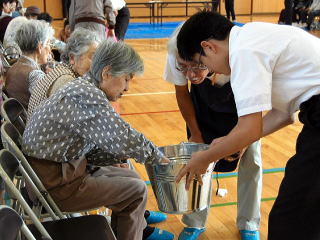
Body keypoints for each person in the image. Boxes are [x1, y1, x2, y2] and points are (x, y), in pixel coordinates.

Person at [175, 10, 320, 240]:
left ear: (209, 46)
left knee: (291, 217)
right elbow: (283, 115)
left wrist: (205, 157)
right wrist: (237, 143)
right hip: (313, 115)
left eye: (203, 62)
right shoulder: (251, 36)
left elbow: (250, 128)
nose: (211, 71)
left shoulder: (243, 51)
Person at [22, 39, 175, 240]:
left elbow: (95, 144)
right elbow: (124, 136)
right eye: (126, 79)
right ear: (106, 73)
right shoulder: (87, 94)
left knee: (132, 177)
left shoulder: (82, 86)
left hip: (58, 171)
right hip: (56, 185)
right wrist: (161, 159)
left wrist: (116, 158)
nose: (127, 88)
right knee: (136, 191)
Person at [164, 25, 262, 240]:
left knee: (252, 160)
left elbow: (257, 104)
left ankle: (249, 222)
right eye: (184, 67)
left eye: (197, 67)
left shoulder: (239, 56)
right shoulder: (176, 52)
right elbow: (182, 93)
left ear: (209, 52)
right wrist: (195, 133)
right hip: (203, 109)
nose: (190, 74)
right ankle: (194, 221)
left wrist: (242, 141)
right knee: (197, 159)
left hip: (243, 109)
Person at [27, 28, 100, 119]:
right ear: (72, 58)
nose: (97, 64)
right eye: (93, 57)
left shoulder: (63, 70)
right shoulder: (67, 81)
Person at [4, 19, 53, 110]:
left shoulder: (13, 67)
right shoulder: (35, 75)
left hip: (20, 121)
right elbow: (48, 108)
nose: (50, 50)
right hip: (32, 122)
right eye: (48, 43)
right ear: (39, 47)